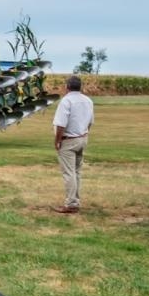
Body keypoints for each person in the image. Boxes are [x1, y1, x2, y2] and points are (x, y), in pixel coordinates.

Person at [52, 75, 94, 213]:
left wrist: (58, 140)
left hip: (68, 140)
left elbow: (61, 124)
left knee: (69, 172)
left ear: (67, 87)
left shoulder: (66, 101)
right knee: (76, 172)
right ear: (80, 86)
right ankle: (75, 200)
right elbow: (90, 122)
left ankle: (71, 203)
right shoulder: (88, 101)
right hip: (82, 138)